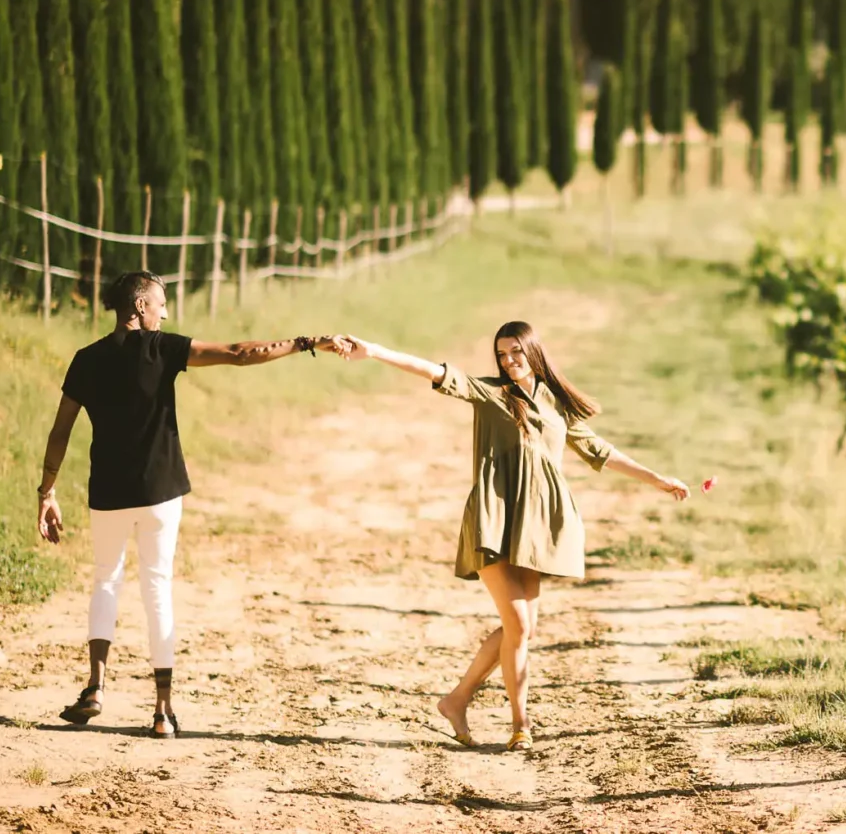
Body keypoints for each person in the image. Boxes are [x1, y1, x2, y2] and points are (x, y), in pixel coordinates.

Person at [333, 321, 688, 750]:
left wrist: (657, 479)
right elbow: (432, 370)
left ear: (534, 351)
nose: (508, 361)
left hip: (534, 526)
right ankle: (521, 726)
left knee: (521, 628)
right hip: (494, 520)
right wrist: (373, 350)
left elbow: (601, 451)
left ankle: (457, 699)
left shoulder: (555, 404)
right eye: (501, 354)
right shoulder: (491, 394)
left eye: (516, 352)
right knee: (518, 623)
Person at [35, 269, 335, 738]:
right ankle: (162, 711)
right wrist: (303, 342)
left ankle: (95, 687)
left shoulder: (86, 360)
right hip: (160, 494)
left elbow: (60, 431)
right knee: (156, 588)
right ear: (140, 307)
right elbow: (239, 354)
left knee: (105, 582)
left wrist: (47, 491)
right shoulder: (162, 348)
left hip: (108, 494)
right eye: (160, 303)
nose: (165, 311)